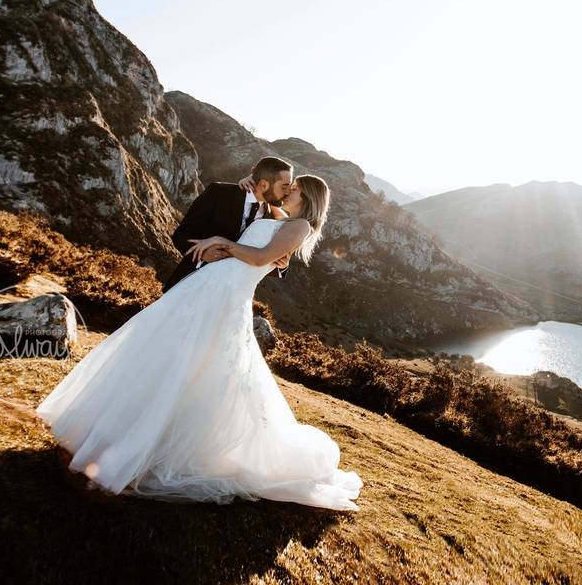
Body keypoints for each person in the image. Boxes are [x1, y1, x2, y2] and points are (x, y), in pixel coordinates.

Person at [35, 175, 363, 511]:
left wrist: (225, 242)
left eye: (294, 188)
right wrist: (247, 195)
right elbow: (261, 235)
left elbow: (263, 257)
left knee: (196, 366)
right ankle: (118, 432)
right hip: (209, 286)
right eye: (287, 185)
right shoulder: (283, 220)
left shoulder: (301, 227)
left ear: (307, 196)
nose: (288, 189)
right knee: (164, 352)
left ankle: (149, 446)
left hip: (225, 296)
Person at [161, 156, 294, 293]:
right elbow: (181, 235)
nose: (288, 192)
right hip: (186, 285)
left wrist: (281, 266)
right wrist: (203, 253)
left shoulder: (272, 218)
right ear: (264, 185)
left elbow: (256, 259)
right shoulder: (219, 193)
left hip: (229, 297)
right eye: (284, 186)